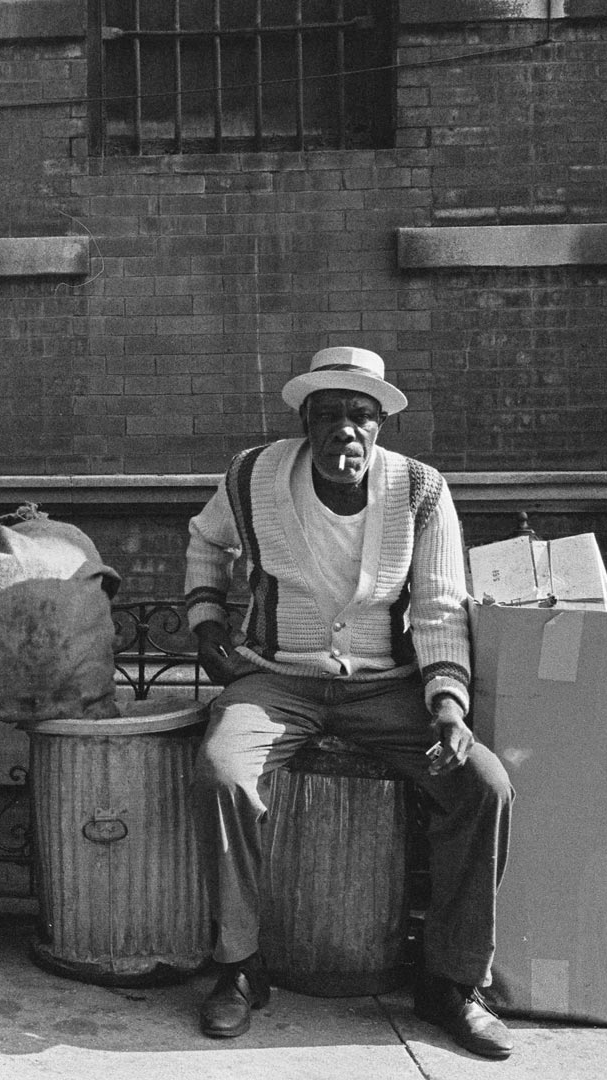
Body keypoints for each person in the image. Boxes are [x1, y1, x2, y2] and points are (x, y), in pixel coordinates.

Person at [183, 346, 515, 1059]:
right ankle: (239, 967)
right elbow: (206, 539)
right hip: (278, 678)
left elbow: (439, 603)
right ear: (305, 422)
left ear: (380, 425)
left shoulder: (420, 490)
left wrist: (448, 704)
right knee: (223, 773)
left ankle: (451, 983)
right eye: (328, 414)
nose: (345, 430)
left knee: (483, 784)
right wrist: (206, 620)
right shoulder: (252, 476)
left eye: (361, 416)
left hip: (385, 688)